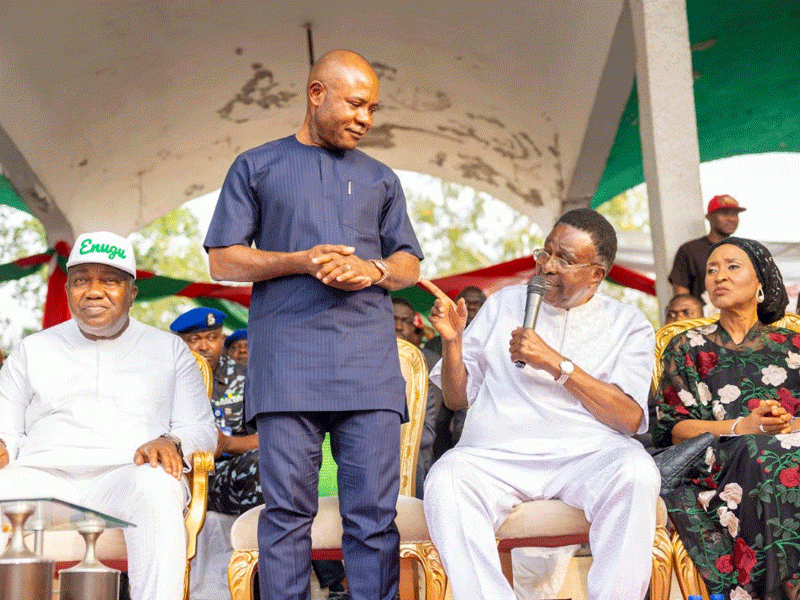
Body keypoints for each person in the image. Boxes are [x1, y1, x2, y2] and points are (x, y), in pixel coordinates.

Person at [203, 49, 423, 600]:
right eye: (355, 103)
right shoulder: (257, 165)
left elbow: (408, 263)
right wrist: (299, 260)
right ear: (317, 93)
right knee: (287, 516)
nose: (365, 119)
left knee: (373, 516)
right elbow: (223, 258)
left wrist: (370, 268)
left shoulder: (381, 178)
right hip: (287, 367)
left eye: (372, 108)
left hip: (368, 369)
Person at [421, 208, 659, 600]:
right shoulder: (502, 304)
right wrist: (452, 343)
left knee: (636, 471)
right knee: (446, 480)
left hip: (586, 454)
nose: (546, 266)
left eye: (563, 260)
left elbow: (630, 419)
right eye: (544, 253)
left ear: (597, 273)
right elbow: (456, 397)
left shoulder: (627, 323)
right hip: (497, 454)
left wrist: (556, 363)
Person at [0, 231, 217, 600]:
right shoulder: (31, 350)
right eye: (81, 280)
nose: (94, 291)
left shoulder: (169, 351)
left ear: (132, 292)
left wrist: (172, 441)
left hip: (128, 476)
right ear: (68, 288)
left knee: (159, 485)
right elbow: (6, 429)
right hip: (43, 475)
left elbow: (201, 429)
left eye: (110, 281)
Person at [654, 237, 800, 600]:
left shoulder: (793, 345)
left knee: (771, 451)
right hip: (718, 463)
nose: (719, 277)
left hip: (789, 449)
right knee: (757, 451)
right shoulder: (687, 346)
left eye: (733, 267)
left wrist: (786, 426)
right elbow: (675, 429)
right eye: (712, 270)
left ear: (761, 280)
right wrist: (743, 426)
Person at [170, 307, 258, 515]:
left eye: (211, 338)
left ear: (222, 339)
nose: (204, 346)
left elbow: (274, 436)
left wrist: (229, 443)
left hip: (227, 471)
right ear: (177, 343)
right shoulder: (162, 378)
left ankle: (255, 544)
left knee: (260, 464)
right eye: (194, 339)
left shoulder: (247, 378)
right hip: (177, 474)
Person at [392, 297, 444, 498]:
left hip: (417, 452)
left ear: (414, 326)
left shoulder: (428, 361)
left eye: (405, 321)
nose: (398, 326)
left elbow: (430, 422)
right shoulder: (364, 355)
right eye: (392, 319)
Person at [427, 285, 487, 459]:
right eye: (467, 303)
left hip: (469, 416)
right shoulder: (436, 343)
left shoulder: (490, 339)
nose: (472, 307)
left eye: (478, 303)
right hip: (437, 415)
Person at [670, 194, 746, 303]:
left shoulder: (743, 250)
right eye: (724, 213)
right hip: (705, 319)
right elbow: (682, 299)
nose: (731, 218)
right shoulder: (689, 250)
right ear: (709, 217)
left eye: (735, 214)